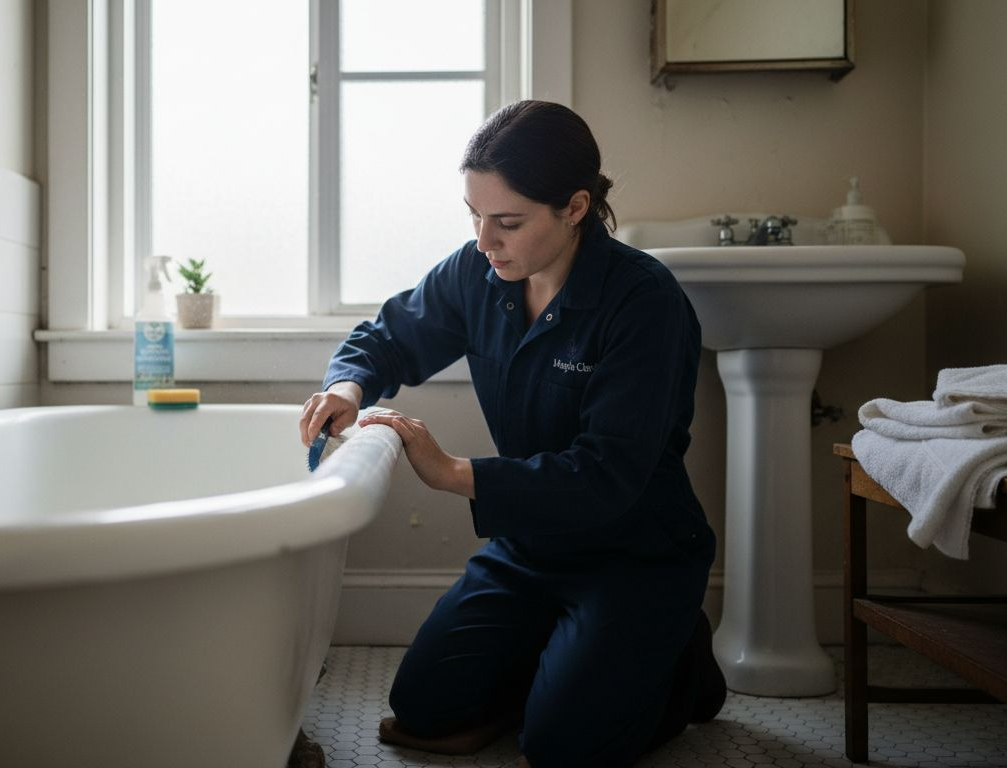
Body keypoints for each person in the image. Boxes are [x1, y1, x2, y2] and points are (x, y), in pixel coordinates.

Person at [298, 100, 726, 768]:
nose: (483, 240)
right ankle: (569, 660)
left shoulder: (645, 301)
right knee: (422, 709)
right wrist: (348, 387)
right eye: (473, 214)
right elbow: (387, 337)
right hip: (530, 544)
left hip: (634, 553)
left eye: (508, 222)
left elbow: (607, 473)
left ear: (575, 207)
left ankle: (678, 660)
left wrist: (453, 472)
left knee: (560, 749)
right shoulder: (478, 273)